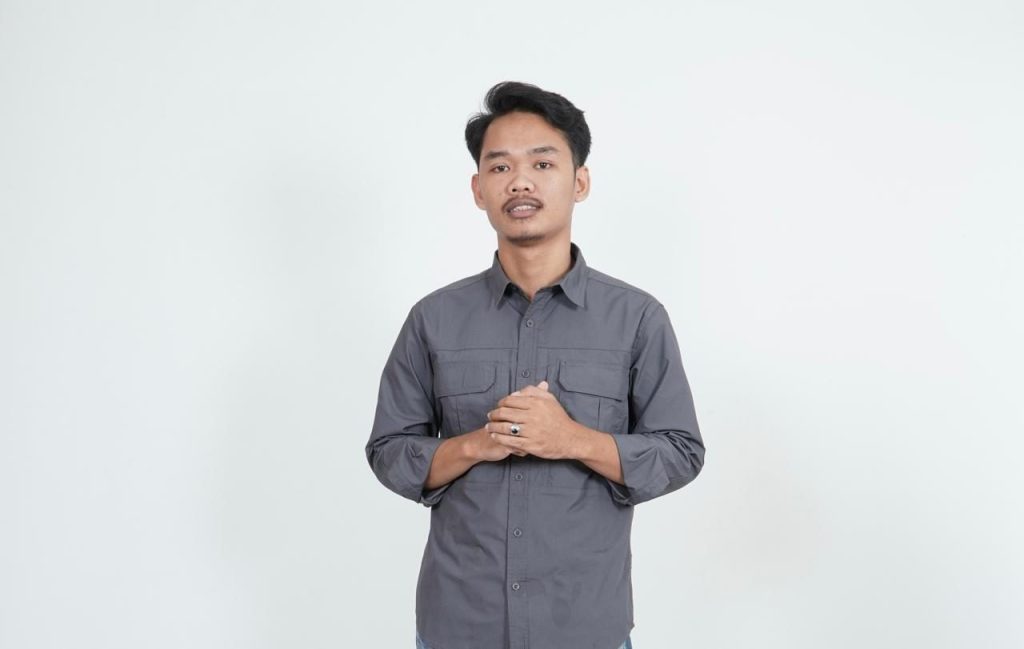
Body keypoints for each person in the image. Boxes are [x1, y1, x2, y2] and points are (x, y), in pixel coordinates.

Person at [365, 81, 705, 649]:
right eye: (500, 167)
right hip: (459, 625)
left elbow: (681, 451)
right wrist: (475, 445)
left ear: (580, 182)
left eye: (542, 163)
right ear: (479, 189)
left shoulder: (637, 318)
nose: (520, 182)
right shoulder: (433, 319)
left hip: (584, 626)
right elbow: (388, 452)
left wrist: (571, 439)